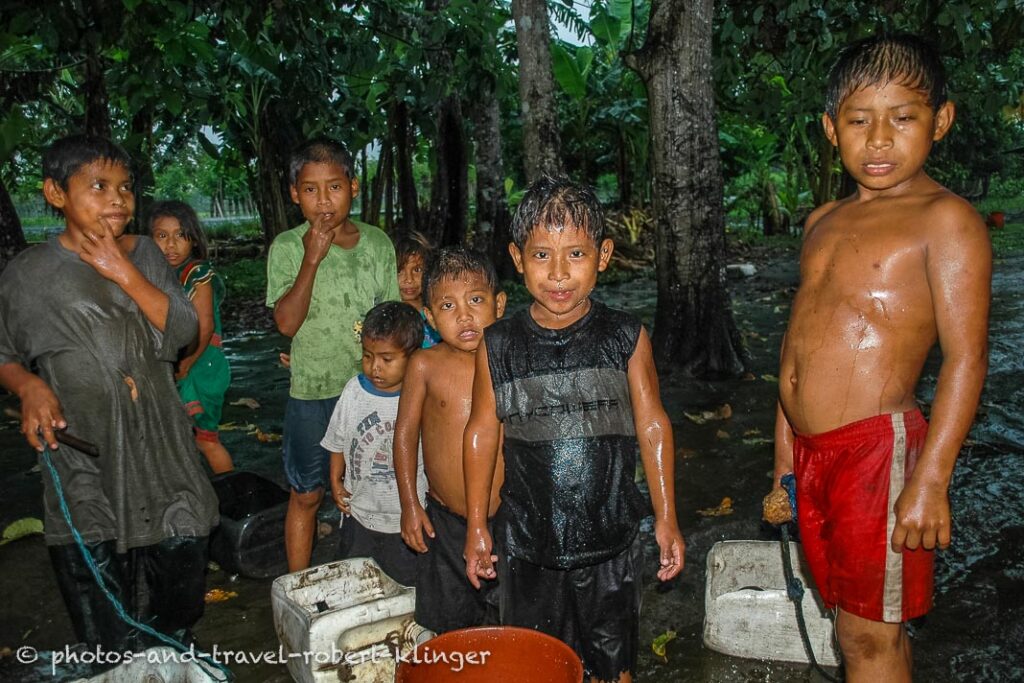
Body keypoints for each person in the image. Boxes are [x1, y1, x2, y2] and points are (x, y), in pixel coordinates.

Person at [771, 34, 990, 683]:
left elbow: (966, 358)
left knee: (872, 634)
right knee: (846, 616)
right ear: (831, 129)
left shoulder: (945, 221)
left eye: (903, 118)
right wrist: (784, 459)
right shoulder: (822, 221)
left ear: (940, 121)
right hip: (812, 453)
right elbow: (798, 344)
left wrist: (931, 480)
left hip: (879, 453)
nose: (881, 139)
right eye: (861, 121)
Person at [0, 134, 218, 652]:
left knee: (183, 564)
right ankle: (115, 657)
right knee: (102, 605)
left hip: (162, 446)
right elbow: (3, 352)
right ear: (55, 193)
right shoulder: (26, 275)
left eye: (125, 187)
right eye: (98, 186)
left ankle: (171, 651)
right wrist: (28, 385)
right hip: (84, 453)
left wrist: (122, 272)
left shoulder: (144, 252)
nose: (118, 199)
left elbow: (183, 328)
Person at [463, 177, 685, 683]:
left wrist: (666, 515)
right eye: (542, 255)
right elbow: (481, 431)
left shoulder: (626, 336)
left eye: (576, 255)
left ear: (604, 255)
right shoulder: (496, 345)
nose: (559, 274)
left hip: (609, 541)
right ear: (517, 258)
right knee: (535, 663)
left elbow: (652, 424)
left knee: (614, 665)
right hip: (526, 541)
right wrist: (478, 523)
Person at [267, 138, 400, 572]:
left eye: (334, 187)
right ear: (294, 194)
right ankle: (298, 585)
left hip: (370, 391)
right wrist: (311, 258)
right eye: (310, 189)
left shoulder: (377, 244)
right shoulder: (288, 247)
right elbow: (286, 324)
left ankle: (372, 576)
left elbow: (392, 322)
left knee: (370, 486)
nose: (323, 201)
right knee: (307, 492)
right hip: (312, 390)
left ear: (353, 187)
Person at [393, 246, 507, 634]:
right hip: (445, 521)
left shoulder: (512, 360)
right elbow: (405, 435)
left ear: (500, 304)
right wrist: (410, 503)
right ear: (428, 316)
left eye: (476, 300)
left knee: (511, 618)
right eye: (447, 306)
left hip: (510, 517)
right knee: (449, 621)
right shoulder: (425, 365)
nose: (464, 315)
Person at [319, 301, 426, 586]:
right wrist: (335, 480)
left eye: (387, 359)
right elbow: (337, 440)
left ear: (413, 356)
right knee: (356, 581)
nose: (375, 367)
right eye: (368, 356)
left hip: (406, 517)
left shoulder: (421, 395)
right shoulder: (354, 391)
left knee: (406, 586)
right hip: (360, 513)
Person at [149, 200, 233, 474]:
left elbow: (205, 326)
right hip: (176, 365)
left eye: (180, 236)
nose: (171, 245)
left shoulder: (197, 274)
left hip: (201, 364)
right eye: (162, 236)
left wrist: (185, 366)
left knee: (206, 439)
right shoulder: (153, 276)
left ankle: (234, 490)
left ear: (193, 240)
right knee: (176, 437)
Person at [394, 232, 442, 347]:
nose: (409, 279)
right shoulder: (385, 317)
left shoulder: (436, 313)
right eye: (399, 271)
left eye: (417, 270)